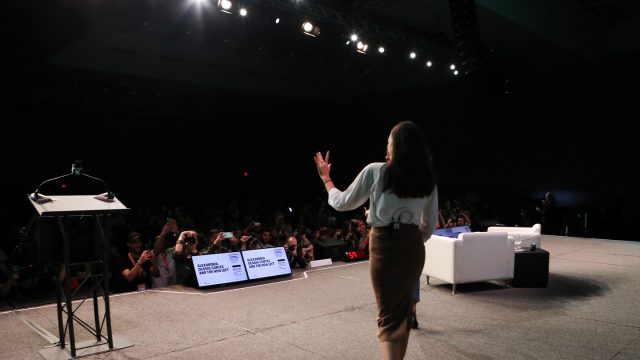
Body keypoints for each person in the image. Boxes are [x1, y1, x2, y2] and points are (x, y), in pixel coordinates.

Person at [314, 120, 438, 360]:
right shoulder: (427, 179)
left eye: (389, 142)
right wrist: (409, 239)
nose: (387, 146)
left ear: (396, 147)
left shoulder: (375, 170)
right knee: (401, 313)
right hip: (413, 247)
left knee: (388, 315)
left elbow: (342, 203)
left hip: (385, 246)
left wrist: (326, 179)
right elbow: (429, 225)